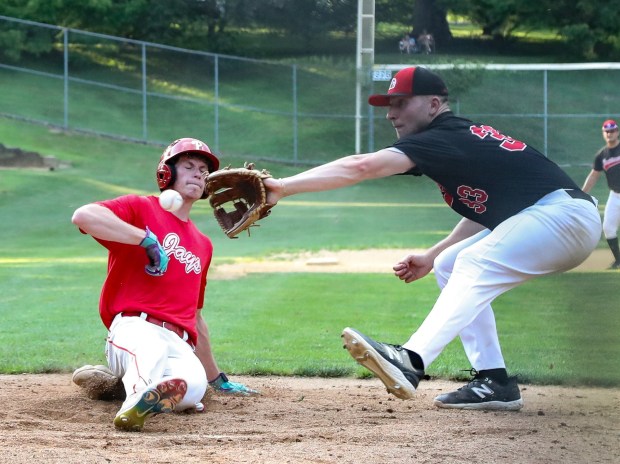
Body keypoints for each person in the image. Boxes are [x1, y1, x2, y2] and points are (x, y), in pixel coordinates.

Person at [263, 66, 602, 411]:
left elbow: (361, 166)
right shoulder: (453, 139)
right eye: (388, 104)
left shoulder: (444, 137)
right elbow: (482, 210)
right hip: (552, 217)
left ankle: (410, 360)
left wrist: (283, 187)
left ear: (434, 103)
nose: (391, 113)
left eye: (401, 102)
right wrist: (434, 252)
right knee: (450, 263)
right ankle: (494, 382)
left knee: (472, 262)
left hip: (563, 217)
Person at [71, 137, 258, 431]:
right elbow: (84, 216)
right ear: (166, 172)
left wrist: (216, 378)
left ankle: (120, 388)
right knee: (151, 351)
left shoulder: (203, 245)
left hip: (179, 341)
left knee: (192, 387)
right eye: (189, 165)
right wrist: (143, 238)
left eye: (204, 170)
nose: (199, 173)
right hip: (134, 328)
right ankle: (132, 404)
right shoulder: (139, 209)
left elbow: (195, 316)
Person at [581, 119, 620, 270]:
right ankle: (618, 261)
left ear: (617, 132)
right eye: (607, 131)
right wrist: (583, 193)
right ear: (604, 134)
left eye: (612, 131)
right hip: (615, 195)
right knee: (608, 228)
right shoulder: (601, 156)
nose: (610, 134)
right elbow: (593, 176)